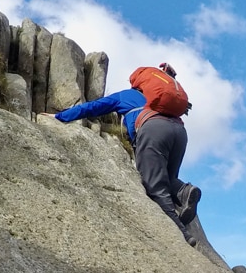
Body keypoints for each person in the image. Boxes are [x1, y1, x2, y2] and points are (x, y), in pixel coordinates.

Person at [51, 63, 202, 241]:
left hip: (153, 130)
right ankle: (186, 191)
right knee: (168, 178)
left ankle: (182, 233)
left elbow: (92, 107)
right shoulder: (161, 102)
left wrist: (59, 116)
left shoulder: (126, 95)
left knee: (154, 185)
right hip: (179, 132)